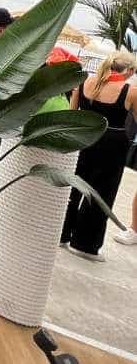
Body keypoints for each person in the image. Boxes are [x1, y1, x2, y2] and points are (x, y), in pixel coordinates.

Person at [62, 51, 137, 261]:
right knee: (101, 192)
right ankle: (85, 244)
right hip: (112, 145)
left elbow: (71, 112)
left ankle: (61, 232)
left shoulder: (86, 82)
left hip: (82, 138)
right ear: (129, 70)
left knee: (73, 186)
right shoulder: (130, 91)